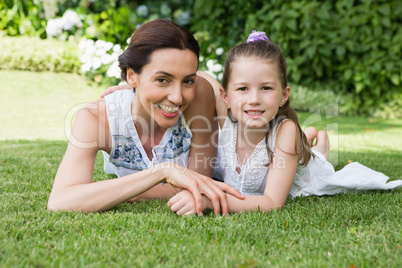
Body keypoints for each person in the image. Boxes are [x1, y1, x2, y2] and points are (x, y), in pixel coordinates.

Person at [167, 31, 402, 215]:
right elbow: (202, 79)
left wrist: (210, 200)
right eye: (243, 88)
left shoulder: (285, 131)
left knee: (319, 164)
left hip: (302, 168)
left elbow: (271, 202)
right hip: (287, 148)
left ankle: (315, 146)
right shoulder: (226, 114)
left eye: (266, 88)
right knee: (304, 145)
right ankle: (309, 137)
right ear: (226, 96)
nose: (254, 99)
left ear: (284, 94)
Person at [47, 19, 244, 215]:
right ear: (132, 76)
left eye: (187, 81)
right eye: (162, 80)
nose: (177, 97)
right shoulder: (96, 119)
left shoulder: (199, 96)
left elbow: (199, 185)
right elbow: (60, 201)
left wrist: (125, 191)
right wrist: (163, 171)